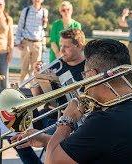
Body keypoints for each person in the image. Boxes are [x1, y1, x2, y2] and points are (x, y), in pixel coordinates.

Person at [12, 39, 132, 163]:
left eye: (84, 75)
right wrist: (46, 140)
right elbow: (99, 143)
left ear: (92, 75)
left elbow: (52, 161)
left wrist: (67, 119)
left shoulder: (105, 120)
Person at [14, 29, 86, 164]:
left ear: (80, 46)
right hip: (49, 113)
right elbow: (37, 97)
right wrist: (37, 77)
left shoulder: (87, 68)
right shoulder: (57, 65)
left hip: (67, 119)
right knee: (14, 129)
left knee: (52, 142)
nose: (62, 50)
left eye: (66, 46)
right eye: (61, 46)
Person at [15, 0, 49, 83]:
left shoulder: (45, 12)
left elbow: (43, 27)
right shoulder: (26, 11)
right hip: (26, 42)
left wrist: (45, 22)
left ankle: (33, 90)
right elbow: (20, 26)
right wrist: (17, 42)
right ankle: (21, 88)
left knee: (36, 70)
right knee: (24, 68)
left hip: (38, 43)